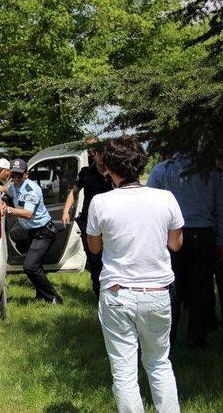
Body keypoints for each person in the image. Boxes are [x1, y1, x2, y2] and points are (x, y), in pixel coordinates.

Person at [87, 135, 183, 413]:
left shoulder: (101, 203)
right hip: (157, 293)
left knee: (125, 373)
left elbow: (94, 248)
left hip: (118, 294)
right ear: (140, 165)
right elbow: (175, 244)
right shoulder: (165, 198)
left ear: (109, 168)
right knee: (159, 363)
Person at [147, 151, 223, 349]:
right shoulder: (210, 171)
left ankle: (166, 339)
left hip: (173, 234)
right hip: (202, 233)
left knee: (172, 289)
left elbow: (150, 207)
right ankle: (196, 339)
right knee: (201, 289)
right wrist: (220, 240)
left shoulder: (161, 170)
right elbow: (219, 207)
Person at [6, 158, 63, 304]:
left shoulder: (31, 190)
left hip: (43, 232)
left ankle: (54, 298)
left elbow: (28, 213)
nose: (15, 178)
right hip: (32, 231)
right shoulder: (14, 186)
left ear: (26, 174)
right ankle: (41, 295)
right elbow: (5, 189)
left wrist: (7, 209)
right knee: (36, 266)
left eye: (19, 175)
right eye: (12, 175)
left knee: (30, 266)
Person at [62, 137, 113, 298]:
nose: (95, 154)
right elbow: (74, 192)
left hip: (111, 223)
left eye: (99, 151)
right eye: (93, 151)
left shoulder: (115, 172)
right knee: (94, 258)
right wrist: (66, 210)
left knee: (111, 257)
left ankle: (112, 288)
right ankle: (99, 292)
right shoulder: (86, 172)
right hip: (90, 222)